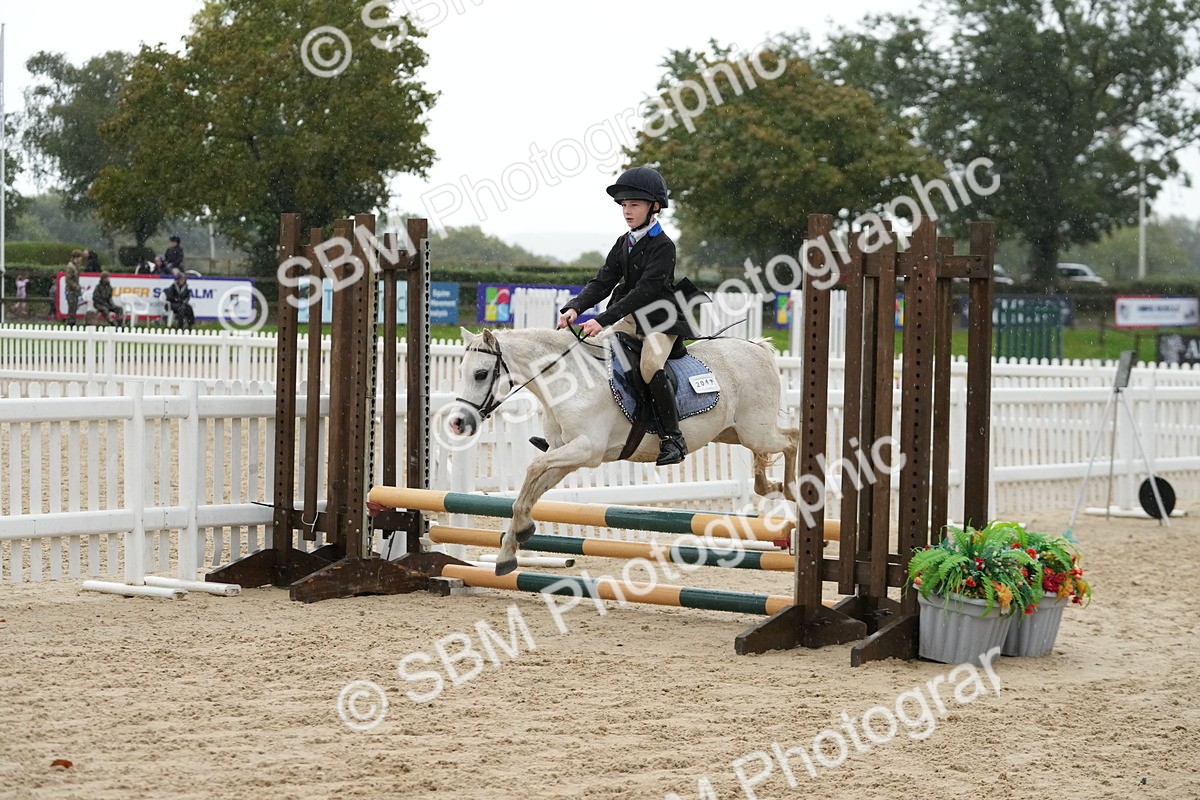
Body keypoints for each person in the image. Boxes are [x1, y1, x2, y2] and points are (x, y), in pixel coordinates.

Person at [557, 166, 696, 466]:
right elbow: (603, 280)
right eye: (624, 205)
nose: (627, 211)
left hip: (661, 318)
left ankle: (673, 438)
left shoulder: (663, 246)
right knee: (592, 352)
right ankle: (567, 432)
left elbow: (644, 292)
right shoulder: (624, 242)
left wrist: (603, 319)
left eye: (634, 204)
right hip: (633, 316)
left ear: (654, 206)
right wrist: (575, 307)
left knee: (648, 366)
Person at [64, 250, 84, 327]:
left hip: (73, 291)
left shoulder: (74, 266)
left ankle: (71, 324)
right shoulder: (71, 267)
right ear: (76, 257)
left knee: (74, 308)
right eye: (80, 257)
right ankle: (70, 325)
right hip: (71, 291)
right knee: (72, 309)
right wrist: (76, 286)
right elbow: (68, 280)